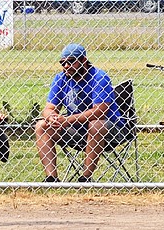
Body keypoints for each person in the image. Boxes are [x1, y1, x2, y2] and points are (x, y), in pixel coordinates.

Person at [35, 43, 127, 182]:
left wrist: (66, 120)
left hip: (110, 131)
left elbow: (100, 111)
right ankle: (51, 179)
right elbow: (48, 109)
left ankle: (86, 178)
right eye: (63, 63)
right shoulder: (61, 78)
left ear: (84, 60)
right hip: (76, 131)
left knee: (96, 124)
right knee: (42, 125)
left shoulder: (99, 77)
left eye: (71, 61)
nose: (66, 66)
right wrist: (52, 117)